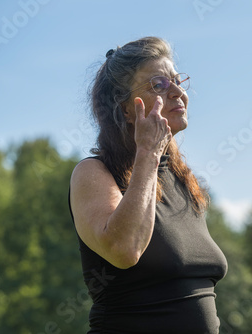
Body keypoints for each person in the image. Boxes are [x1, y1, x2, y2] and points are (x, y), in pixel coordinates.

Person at [68, 36, 228, 334]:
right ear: (126, 109)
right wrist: (148, 154)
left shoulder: (183, 181)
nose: (178, 93)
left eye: (177, 81)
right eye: (159, 85)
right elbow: (124, 249)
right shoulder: (93, 173)